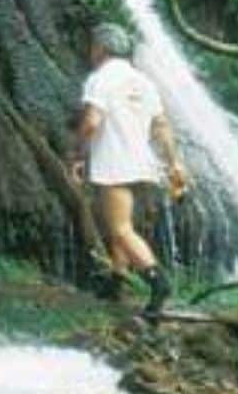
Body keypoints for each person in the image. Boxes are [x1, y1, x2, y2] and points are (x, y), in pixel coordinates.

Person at [72, 22, 187, 315]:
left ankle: (157, 280)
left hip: (114, 164)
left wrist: (77, 155)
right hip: (144, 165)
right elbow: (161, 126)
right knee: (121, 225)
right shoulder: (144, 82)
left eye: (93, 46)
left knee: (120, 229)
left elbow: (91, 123)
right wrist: (173, 163)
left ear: (101, 48)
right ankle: (116, 278)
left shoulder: (100, 78)